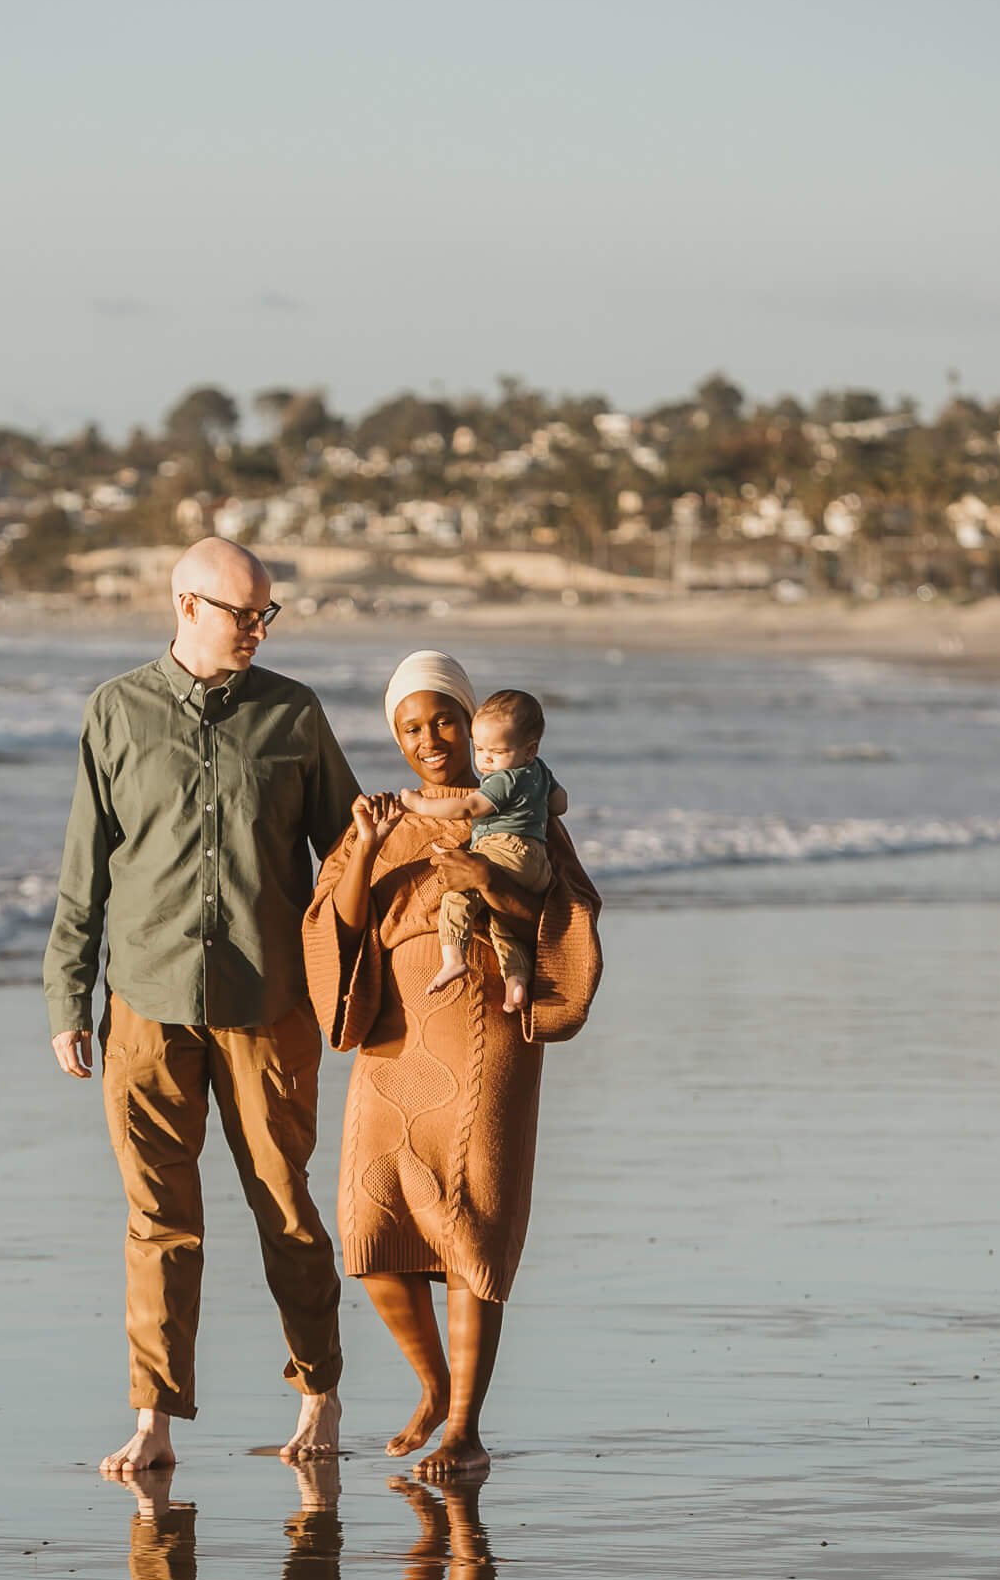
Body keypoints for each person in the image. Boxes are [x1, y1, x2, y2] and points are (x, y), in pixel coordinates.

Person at [46, 537, 362, 1477]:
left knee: (286, 1205)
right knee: (158, 1216)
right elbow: (83, 872)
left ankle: (320, 1391)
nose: (258, 629)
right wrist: (69, 996)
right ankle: (153, 1420)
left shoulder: (293, 715)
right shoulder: (115, 711)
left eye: (268, 614)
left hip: (270, 1004)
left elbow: (349, 856)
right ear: (187, 605)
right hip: (145, 1001)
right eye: (243, 613)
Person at [304, 651, 601, 1480]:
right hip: (393, 1047)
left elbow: (566, 904)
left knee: (472, 1222)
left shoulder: (523, 803)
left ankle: (464, 1427)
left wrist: (487, 882)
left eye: (443, 720)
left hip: (486, 1038)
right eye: (410, 726)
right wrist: (363, 847)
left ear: (472, 725)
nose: (429, 738)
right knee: (368, 1227)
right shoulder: (383, 815)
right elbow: (338, 921)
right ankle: (432, 1385)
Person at [396, 687, 566, 1013]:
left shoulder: (500, 781)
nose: (486, 759)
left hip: (504, 850)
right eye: (481, 749)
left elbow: (469, 806)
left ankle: (453, 958)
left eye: (496, 751)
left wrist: (420, 803)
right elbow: (561, 803)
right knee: (503, 929)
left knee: (458, 893)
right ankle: (516, 982)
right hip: (536, 860)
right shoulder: (540, 771)